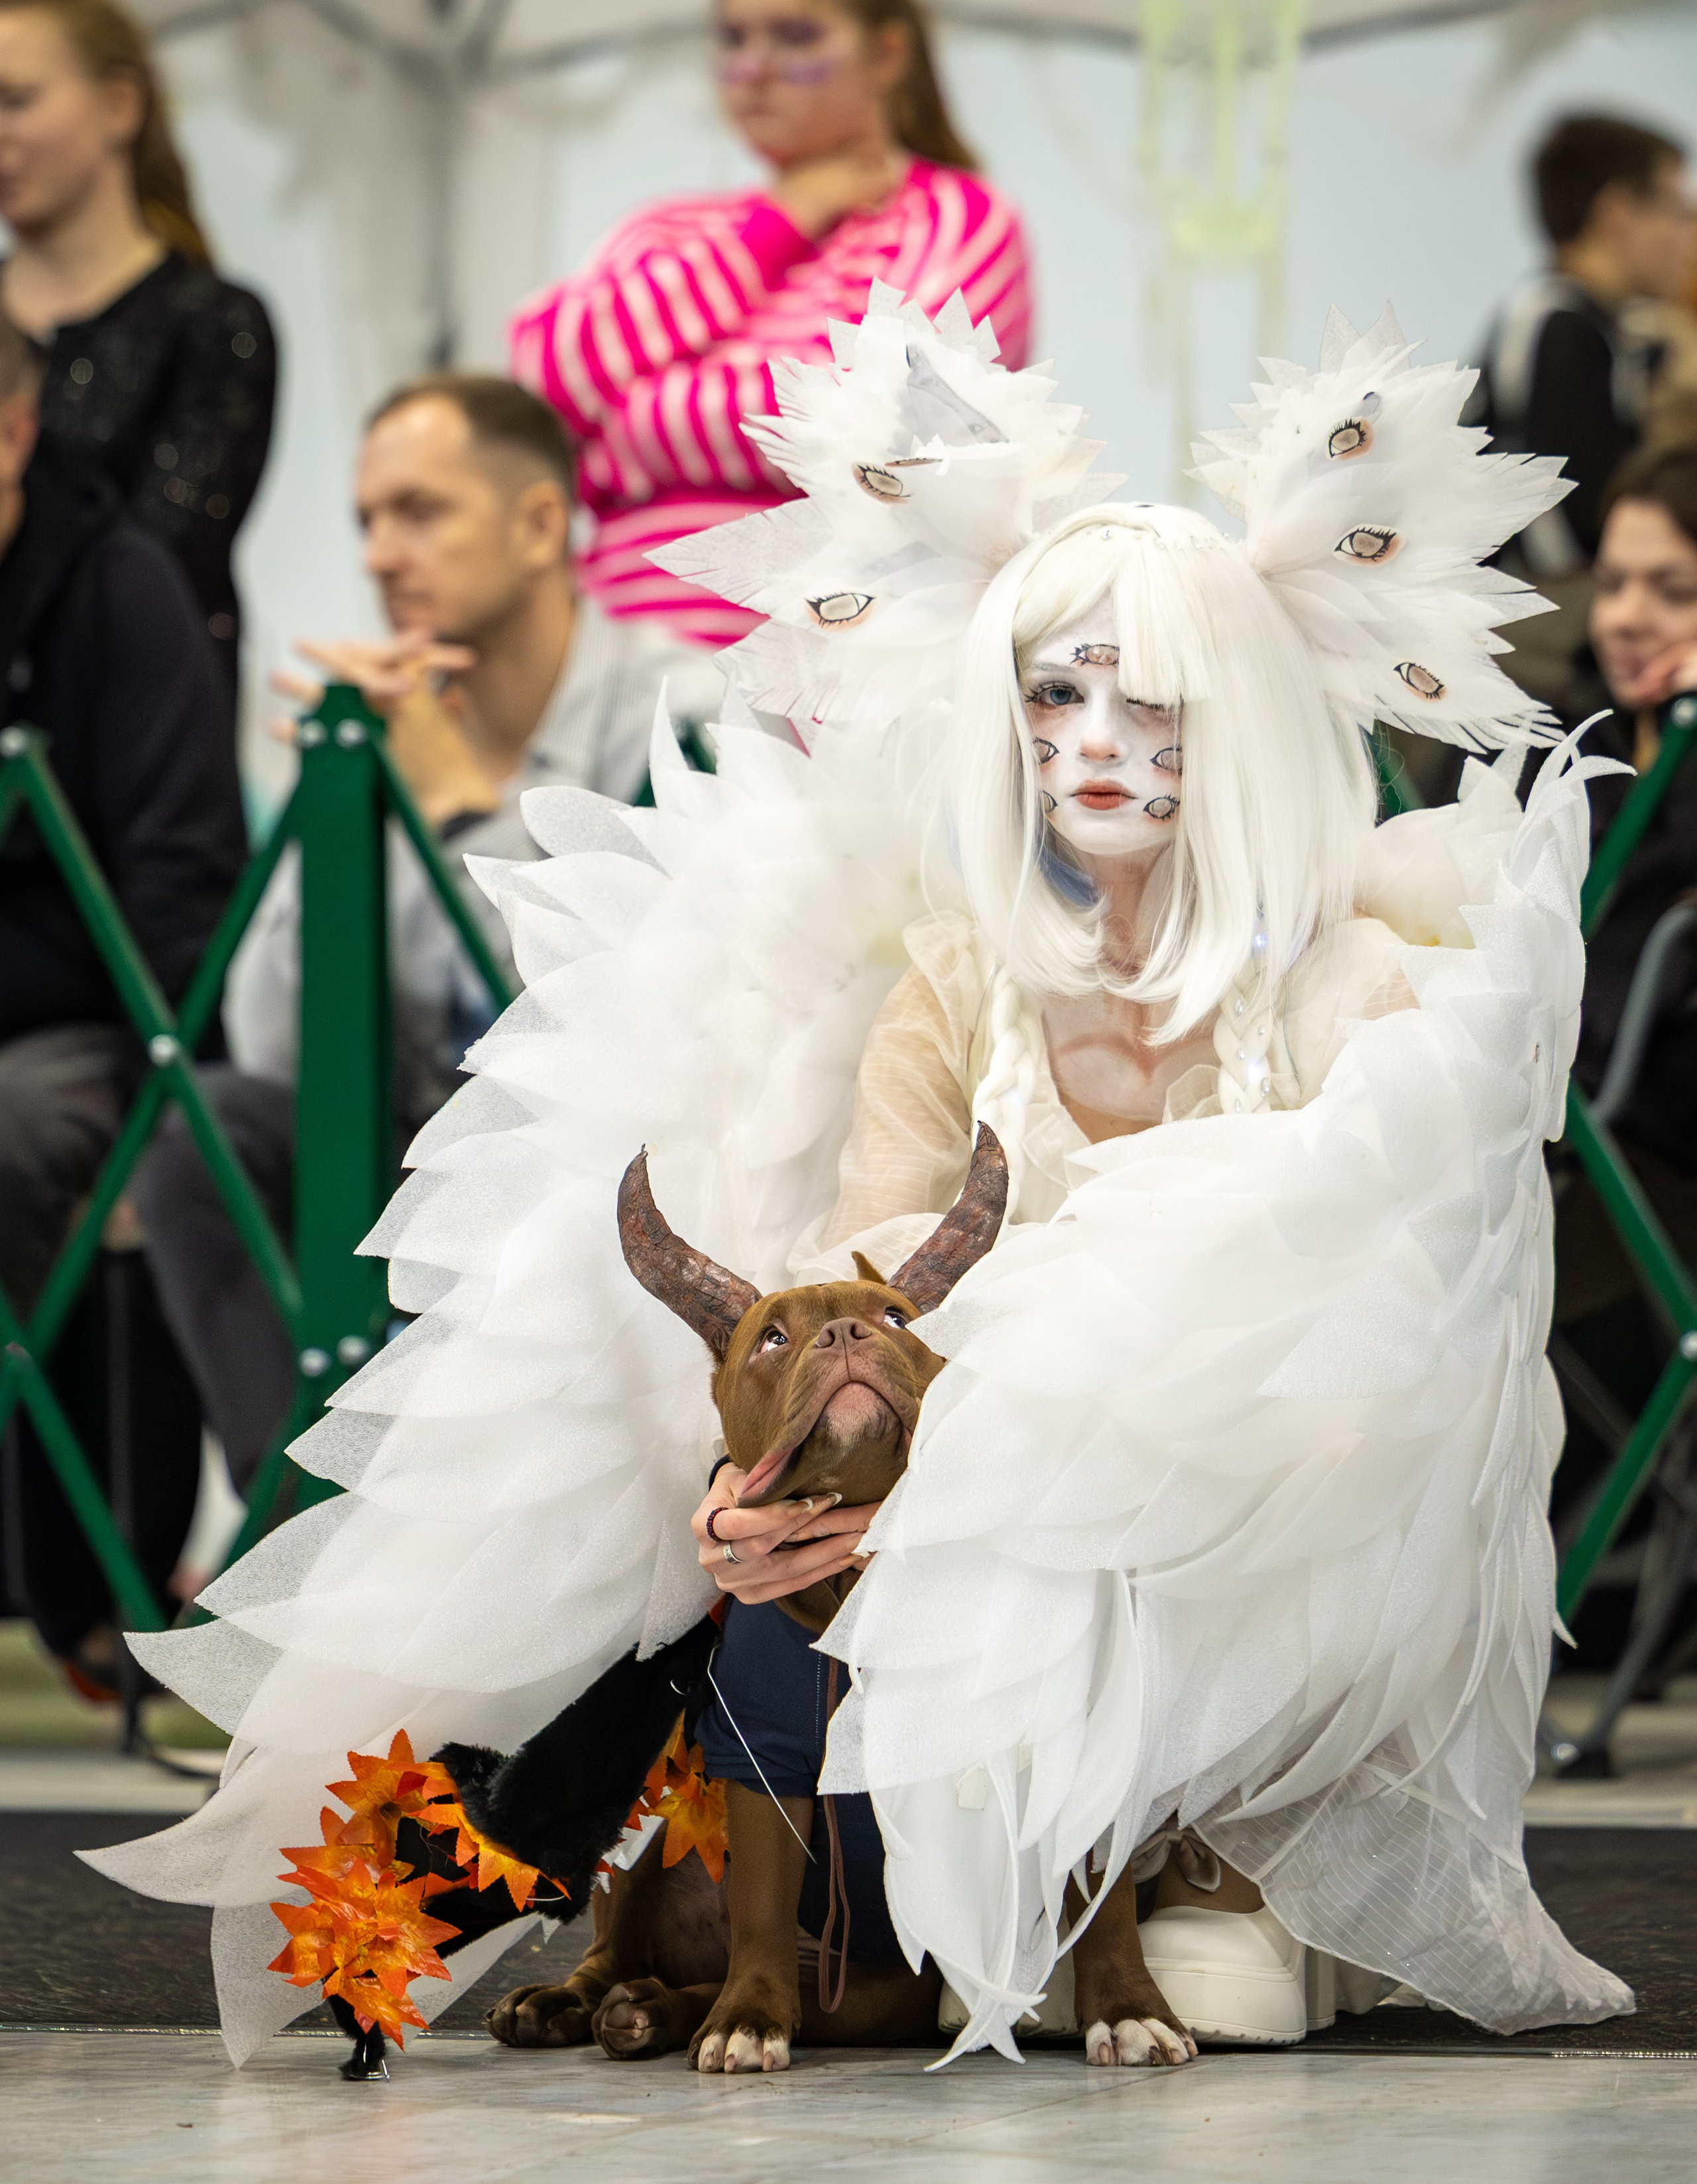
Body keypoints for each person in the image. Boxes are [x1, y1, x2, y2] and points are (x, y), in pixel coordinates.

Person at [90, 294, 1631, 2070]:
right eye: (1059, 691)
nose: (1104, 740)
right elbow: (869, 1269)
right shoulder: (959, 985)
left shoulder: (1361, 986)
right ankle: (518, 1873)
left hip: (1236, 1581)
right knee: (679, 1550)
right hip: (946, 1547)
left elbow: (1381, 1390)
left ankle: (1211, 1857)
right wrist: (791, 1472)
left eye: (1156, 695)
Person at [132, 373, 721, 1513]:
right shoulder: (389, 732)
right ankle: (304, 1539)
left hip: (614, 1182)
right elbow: (275, 1055)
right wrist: (333, 811)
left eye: (420, 511)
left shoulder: (682, 720)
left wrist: (462, 814)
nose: (382, 555)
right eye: (366, 522)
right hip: (417, 1165)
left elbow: (625, 1040)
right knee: (205, 1135)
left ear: (541, 523)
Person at [510, 0, 1031, 648]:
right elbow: (533, 390)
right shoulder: (662, 229)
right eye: (733, 40)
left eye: (796, 36)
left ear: (886, 56)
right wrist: (782, 221)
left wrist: (628, 417)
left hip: (826, 686)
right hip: (613, 685)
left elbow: (871, 428)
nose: (754, 68)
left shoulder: (953, 218)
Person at [0, 298, 243, 1679]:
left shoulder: (119, 584)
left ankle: (74, 1587)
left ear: (19, 428)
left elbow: (176, 881)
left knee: (21, 1131)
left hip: (83, 1024)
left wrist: (170, 1095)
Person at [0, 0, 276, 693]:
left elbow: (160, 568)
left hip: (135, 753)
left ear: (120, 105)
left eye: (15, 100)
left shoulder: (214, 326)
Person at [1462, 113, 1692, 721]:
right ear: (1619, 214)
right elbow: (1556, 520)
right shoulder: (1553, 323)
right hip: (1528, 640)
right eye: (1677, 207)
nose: (1686, 233)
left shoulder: (1605, 331)